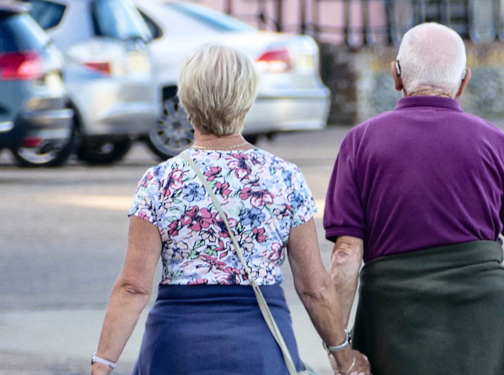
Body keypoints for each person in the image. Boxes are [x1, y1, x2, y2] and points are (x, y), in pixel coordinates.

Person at [90, 44, 371, 375]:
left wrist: (102, 365)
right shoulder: (284, 178)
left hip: (175, 351)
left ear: (186, 103)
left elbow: (133, 288)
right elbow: (314, 288)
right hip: (260, 350)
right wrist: (343, 357)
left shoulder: (160, 181)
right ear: (247, 100)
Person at [324, 23, 504, 375]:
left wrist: (340, 348)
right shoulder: (500, 147)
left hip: (393, 327)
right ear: (464, 81)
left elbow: (345, 257)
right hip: (488, 332)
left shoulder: (359, 144)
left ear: (396, 76)